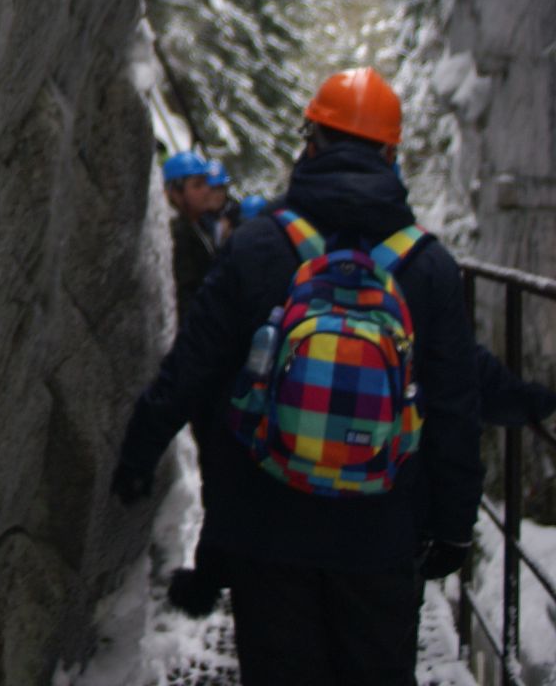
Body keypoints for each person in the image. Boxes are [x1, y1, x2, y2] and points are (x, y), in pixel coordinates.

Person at [112, 68, 482, 686]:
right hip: (381, 532)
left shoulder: (256, 247)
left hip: (268, 528)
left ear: (310, 144)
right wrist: (453, 526)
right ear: (390, 155)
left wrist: (138, 454)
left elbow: (192, 369)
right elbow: (453, 408)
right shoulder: (429, 267)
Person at [164, 150, 220, 324]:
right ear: (176, 193)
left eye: (206, 183)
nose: (207, 190)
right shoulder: (177, 235)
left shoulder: (201, 225)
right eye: (197, 185)